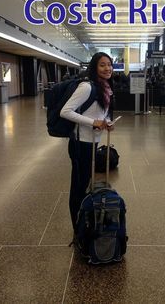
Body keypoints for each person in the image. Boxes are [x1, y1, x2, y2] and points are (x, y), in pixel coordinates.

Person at [60, 52, 114, 231]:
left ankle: (84, 222)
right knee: (78, 187)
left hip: (93, 141)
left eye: (109, 64)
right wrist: (93, 123)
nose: (107, 68)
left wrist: (105, 123)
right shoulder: (87, 87)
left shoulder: (105, 87)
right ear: (94, 67)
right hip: (80, 143)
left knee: (84, 184)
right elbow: (65, 111)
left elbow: (98, 114)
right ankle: (77, 228)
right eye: (102, 65)